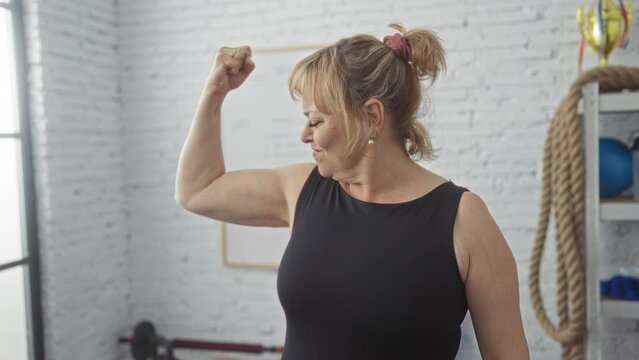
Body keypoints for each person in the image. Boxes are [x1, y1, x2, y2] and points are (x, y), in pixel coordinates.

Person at [175, 23, 529, 360]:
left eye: (316, 121)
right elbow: (197, 189)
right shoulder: (302, 189)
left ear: (371, 117)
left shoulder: (464, 221)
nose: (304, 135)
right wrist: (215, 91)